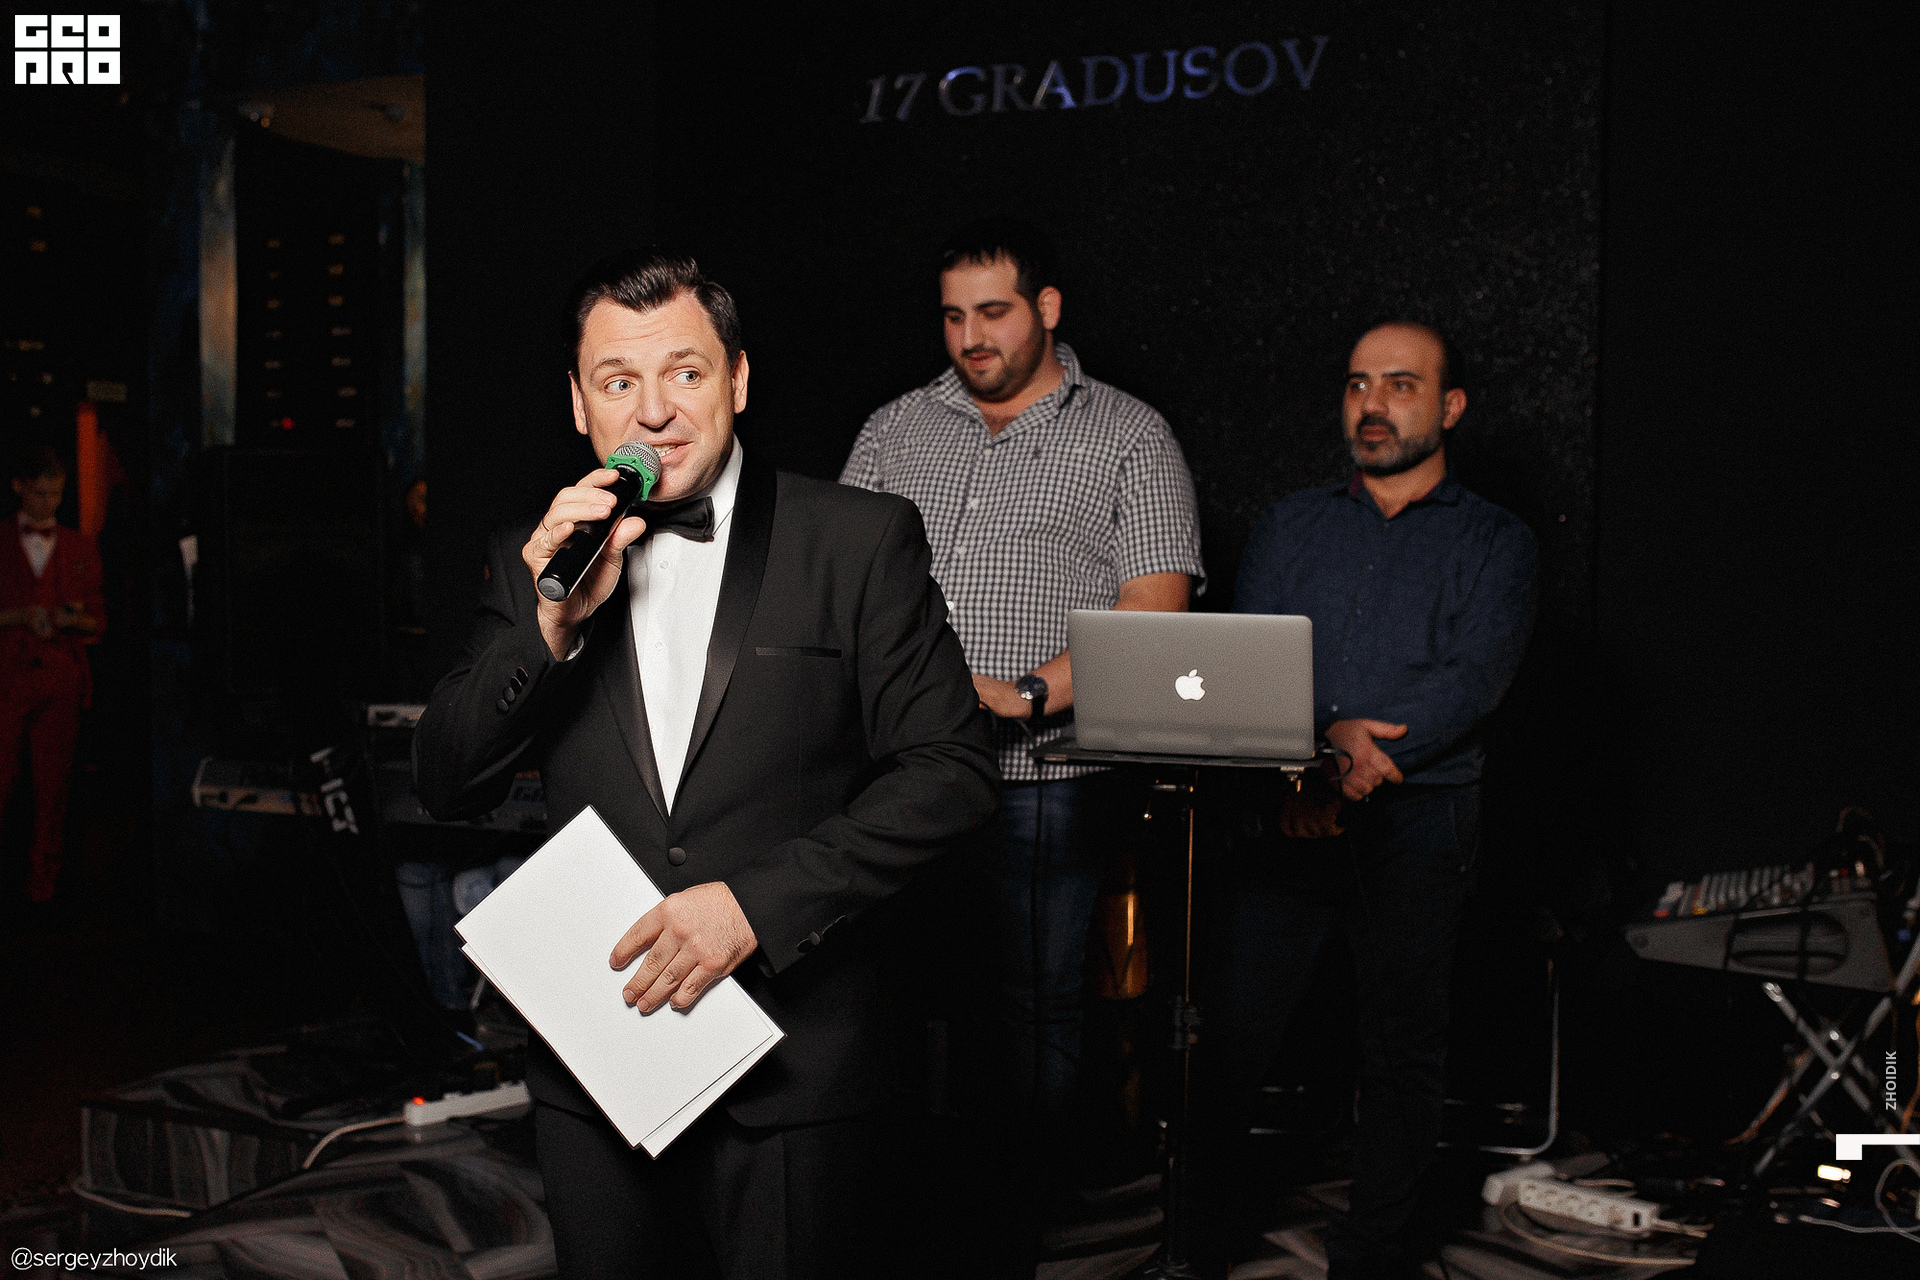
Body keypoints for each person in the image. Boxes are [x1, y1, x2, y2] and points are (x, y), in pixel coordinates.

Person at [412, 249, 997, 1280]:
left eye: (684, 371)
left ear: (737, 378)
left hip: (797, 1063)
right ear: (579, 404)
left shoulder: (856, 539)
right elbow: (446, 780)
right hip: (599, 1068)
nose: (653, 411)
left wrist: (755, 907)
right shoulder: (535, 555)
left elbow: (952, 771)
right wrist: (547, 630)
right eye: (618, 381)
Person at [839, 218, 1203, 1255]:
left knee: (1028, 1010)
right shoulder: (895, 426)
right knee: (891, 995)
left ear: (1046, 309)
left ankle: (1010, 1224)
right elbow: (836, 579)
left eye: (993, 312)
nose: (971, 337)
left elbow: (1156, 612)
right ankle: (910, 1216)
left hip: (1044, 774)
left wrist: (1028, 694)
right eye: (953, 316)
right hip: (897, 771)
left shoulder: (1129, 433)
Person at [1198, 321, 1538, 1279]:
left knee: (1400, 1051)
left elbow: (1474, 681)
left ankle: (1374, 1255)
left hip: (1421, 819)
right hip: (1288, 805)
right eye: (1356, 385)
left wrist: (1355, 764)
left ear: (1450, 406)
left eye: (1399, 384)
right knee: (1232, 1039)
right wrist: (1316, 757)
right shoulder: (1290, 524)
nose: (1372, 405)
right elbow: (1254, 654)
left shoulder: (1498, 541)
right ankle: (1201, 1239)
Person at [0, 444, 104, 905]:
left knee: (52, 787)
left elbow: (98, 619)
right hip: (7, 674)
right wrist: (19, 615)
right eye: (40, 493)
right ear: (19, 488)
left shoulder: (80, 545)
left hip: (60, 674)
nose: (49, 504)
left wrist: (70, 619)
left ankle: (43, 886)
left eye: (57, 494)